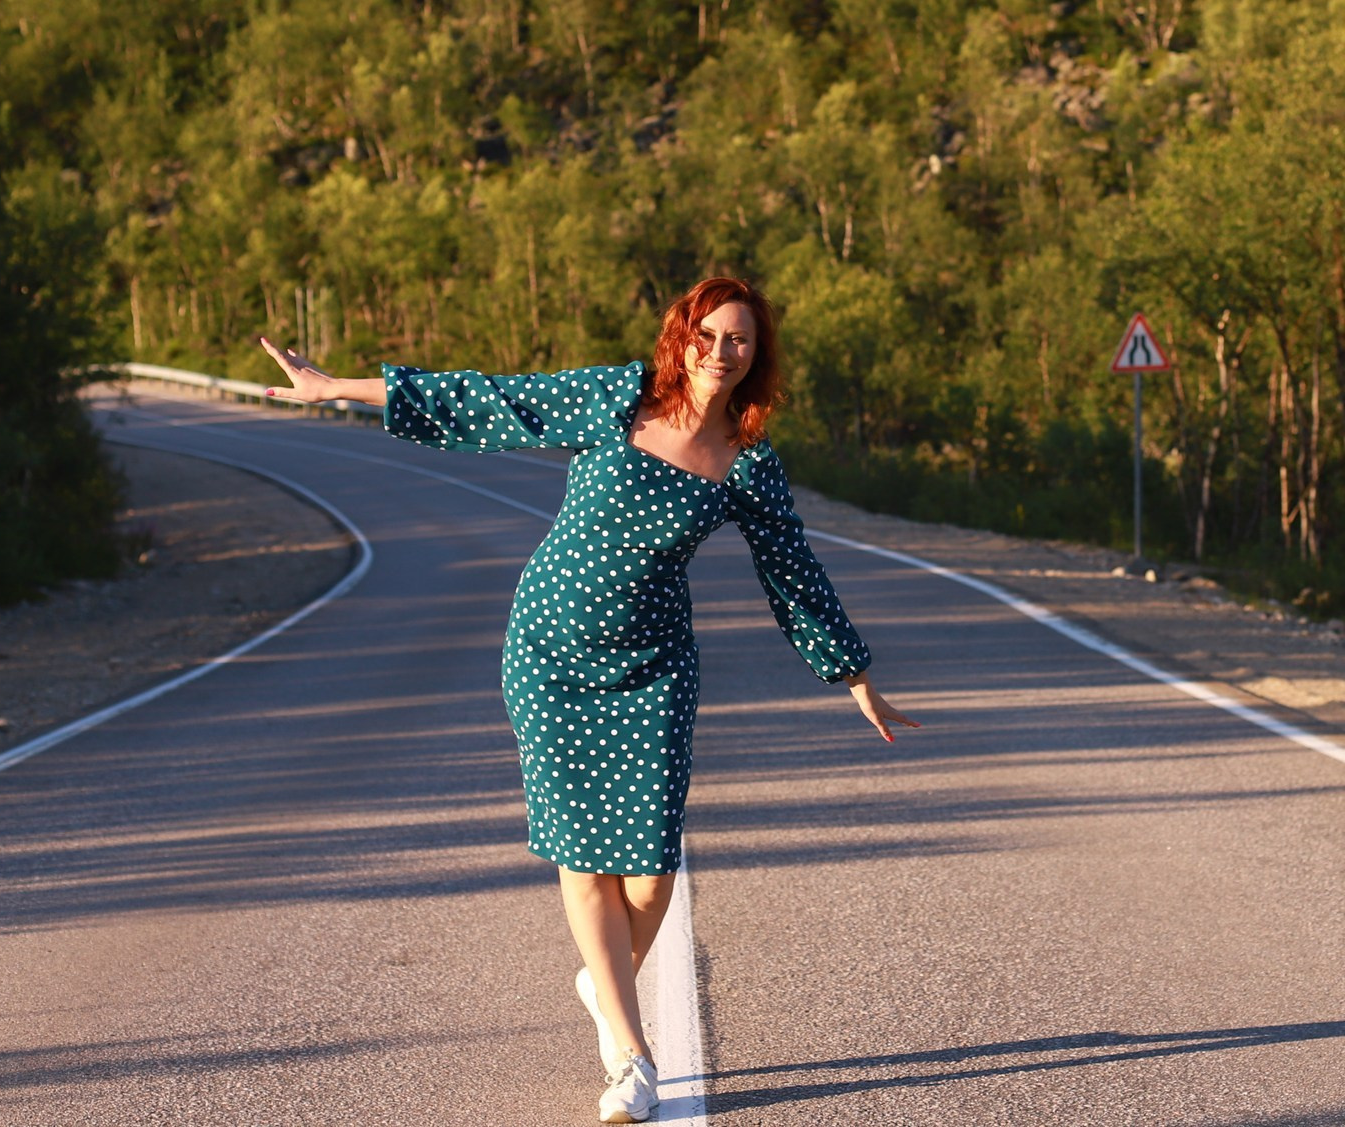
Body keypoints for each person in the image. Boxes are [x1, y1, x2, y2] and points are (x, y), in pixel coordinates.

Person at [257, 276, 916, 1123]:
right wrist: (335, 387)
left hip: (654, 668)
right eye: (708, 334)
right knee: (582, 856)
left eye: (740, 339)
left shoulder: (750, 463)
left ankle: (603, 981)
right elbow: (492, 401)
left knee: (648, 873)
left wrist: (853, 670)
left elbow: (793, 573)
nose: (722, 351)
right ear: (681, 338)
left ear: (758, 356)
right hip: (550, 655)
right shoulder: (615, 398)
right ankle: (630, 1057)